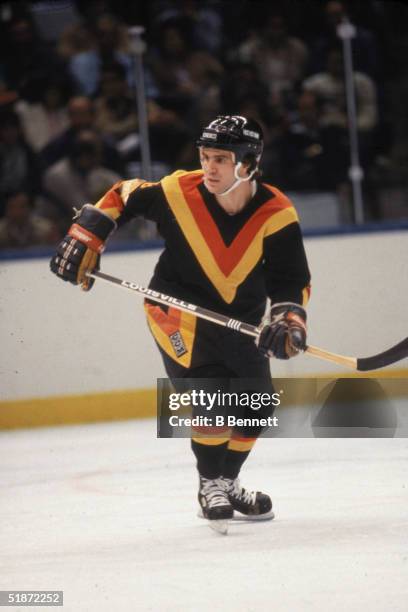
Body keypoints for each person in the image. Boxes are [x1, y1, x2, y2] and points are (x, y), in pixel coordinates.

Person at [49, 115, 311, 532]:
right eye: (205, 156)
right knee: (212, 397)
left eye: (221, 159)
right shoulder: (177, 192)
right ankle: (210, 485)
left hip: (240, 320)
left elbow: (290, 278)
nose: (209, 167)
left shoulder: (277, 211)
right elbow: (124, 194)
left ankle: (227, 480)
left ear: (248, 163)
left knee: (256, 406)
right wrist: (88, 234)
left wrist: (288, 319)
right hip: (175, 311)